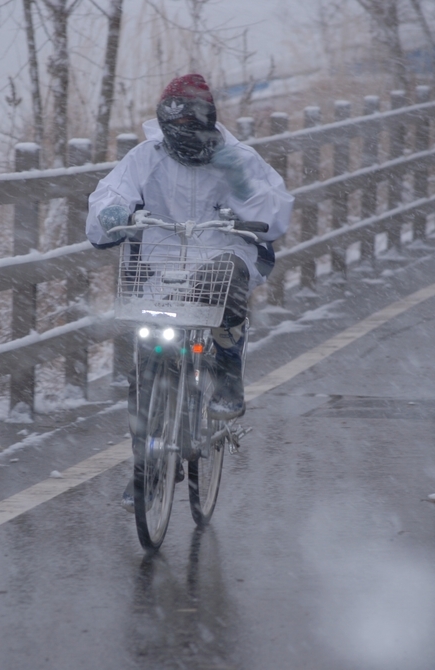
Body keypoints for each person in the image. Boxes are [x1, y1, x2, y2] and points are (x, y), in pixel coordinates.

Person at [85, 73, 293, 509]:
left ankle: (227, 374)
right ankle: (146, 470)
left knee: (226, 274)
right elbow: (109, 195)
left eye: (190, 126)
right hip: (159, 273)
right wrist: (112, 214)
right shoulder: (146, 158)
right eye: (175, 126)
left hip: (219, 264)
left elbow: (274, 217)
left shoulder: (239, 158)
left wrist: (242, 187)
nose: (182, 135)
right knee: (146, 366)